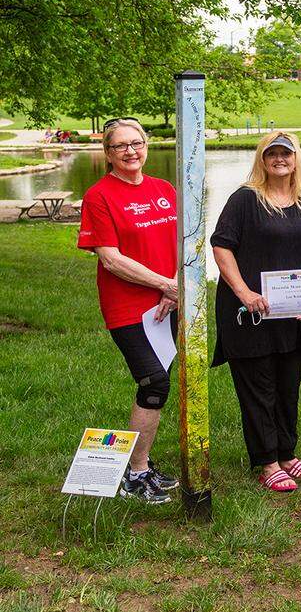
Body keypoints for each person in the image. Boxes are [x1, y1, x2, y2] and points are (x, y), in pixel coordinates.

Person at [211, 132, 301, 493]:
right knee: (258, 386)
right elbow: (221, 246)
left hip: (292, 314)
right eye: (272, 153)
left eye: (286, 154)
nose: (279, 159)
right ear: (262, 159)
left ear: (296, 159)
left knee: (288, 385)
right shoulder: (244, 199)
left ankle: (288, 453)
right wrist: (244, 292)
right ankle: (267, 461)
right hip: (251, 312)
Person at [77, 117, 180, 504]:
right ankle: (135, 475)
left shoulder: (164, 189)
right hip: (128, 308)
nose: (131, 151)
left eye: (137, 143)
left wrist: (173, 288)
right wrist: (164, 285)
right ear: (108, 153)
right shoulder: (99, 196)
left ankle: (144, 464)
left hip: (166, 304)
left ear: (146, 145)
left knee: (156, 384)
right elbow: (111, 260)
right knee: (154, 382)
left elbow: (183, 240)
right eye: (121, 146)